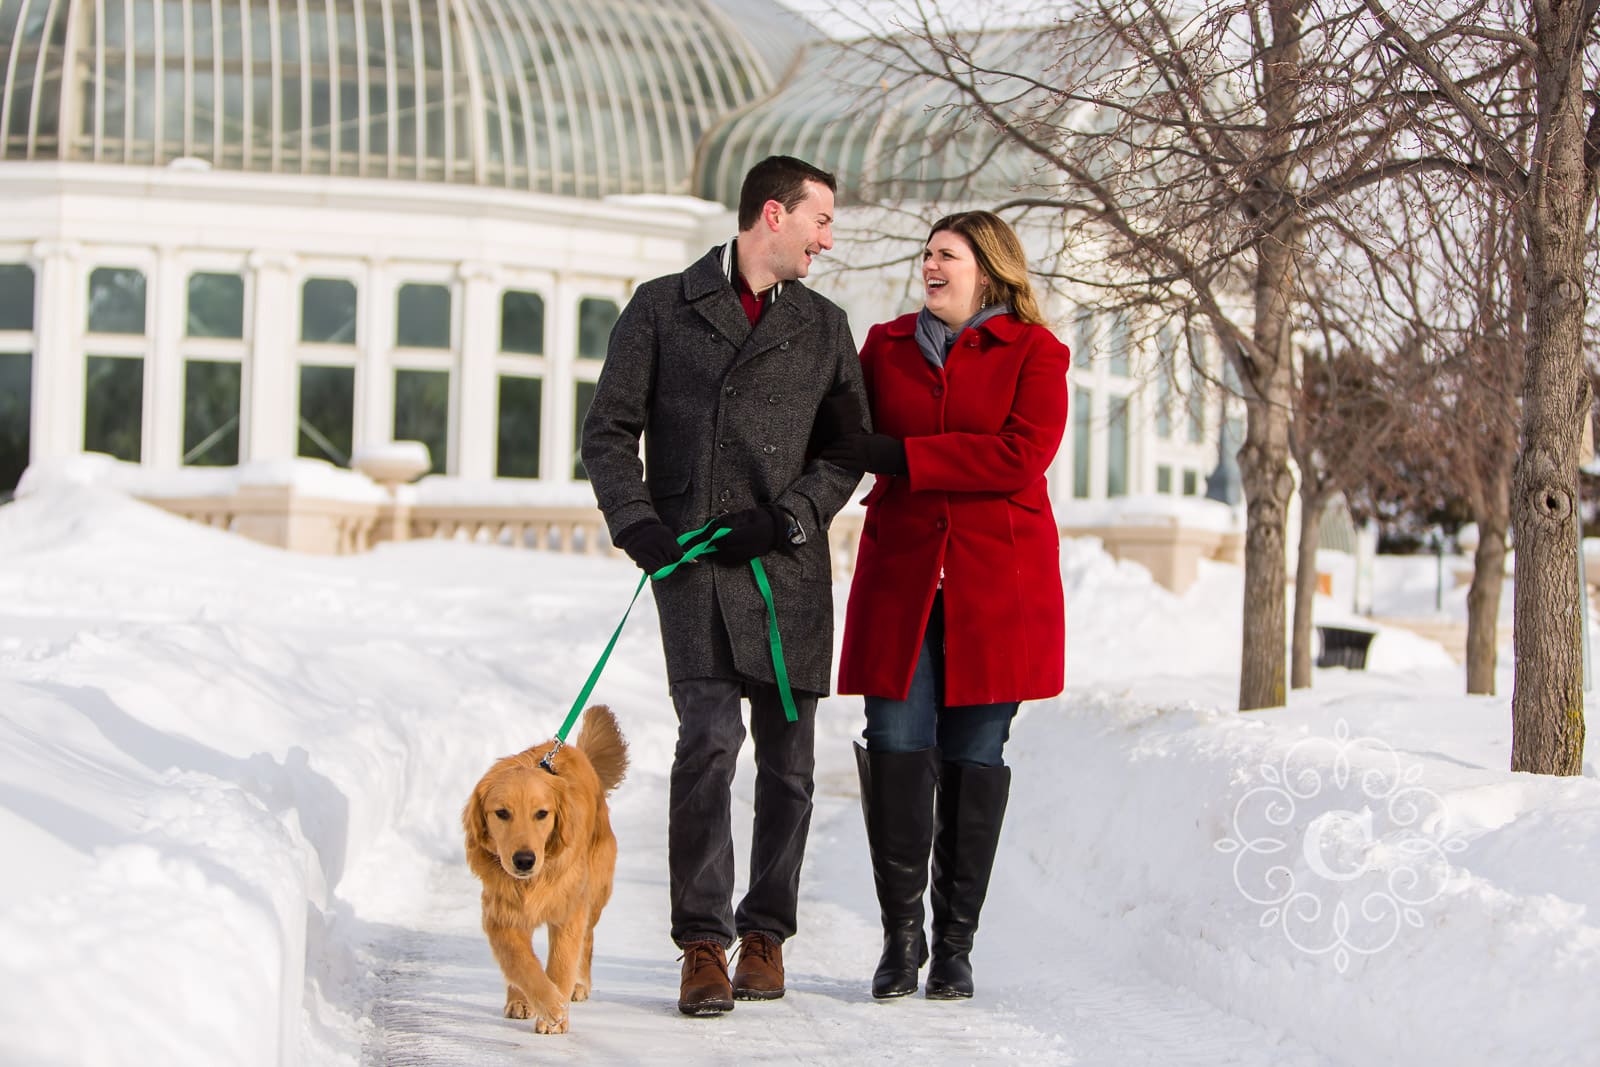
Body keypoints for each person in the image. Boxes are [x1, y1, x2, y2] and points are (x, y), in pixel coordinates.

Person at [580, 156, 867, 1016]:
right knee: (706, 744)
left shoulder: (824, 325)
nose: (827, 239)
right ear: (772, 215)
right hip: (693, 566)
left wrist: (791, 517)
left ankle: (766, 935)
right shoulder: (661, 307)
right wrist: (637, 524)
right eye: (820, 221)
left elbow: (847, 449)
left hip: (787, 569)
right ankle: (702, 941)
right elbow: (608, 431)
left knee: (789, 764)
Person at [819, 211, 1070, 1001]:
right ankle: (901, 940)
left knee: (975, 756)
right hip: (902, 579)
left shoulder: (1037, 352)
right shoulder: (886, 347)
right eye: (926, 254)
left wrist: (903, 457)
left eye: (947, 255)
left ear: (988, 269)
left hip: (996, 588)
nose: (930, 265)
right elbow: (840, 436)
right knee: (894, 739)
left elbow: (1020, 455)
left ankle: (955, 946)